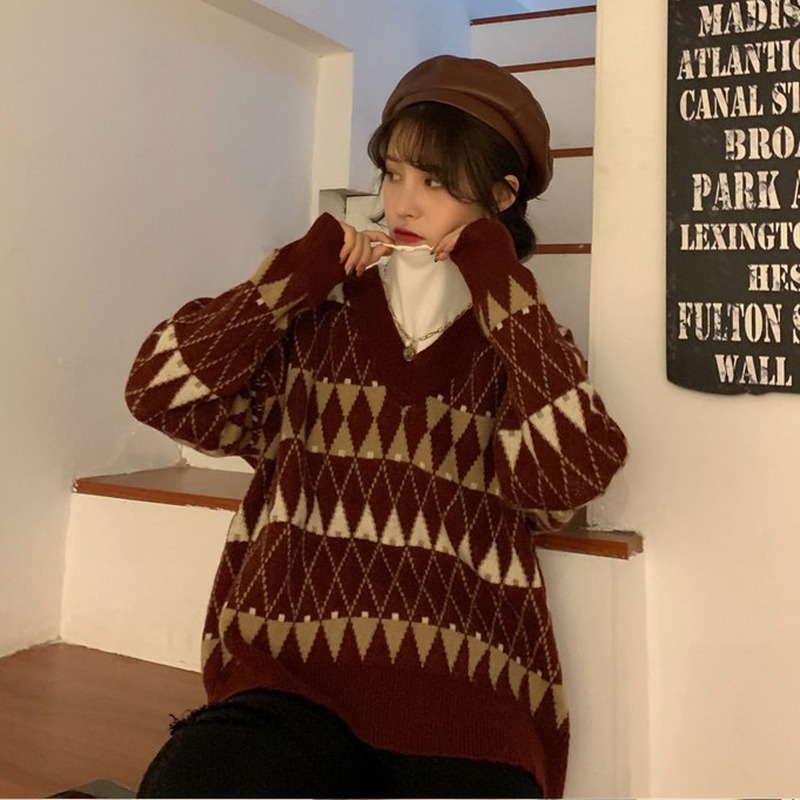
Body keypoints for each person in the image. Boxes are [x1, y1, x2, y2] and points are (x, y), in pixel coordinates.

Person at [127, 54, 628, 798]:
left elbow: (565, 484)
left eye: (436, 182)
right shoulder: (320, 317)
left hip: (471, 684)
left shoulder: (520, 344)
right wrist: (284, 281)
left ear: (501, 195)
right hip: (292, 668)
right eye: (394, 174)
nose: (404, 203)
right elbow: (160, 393)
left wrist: (505, 292)